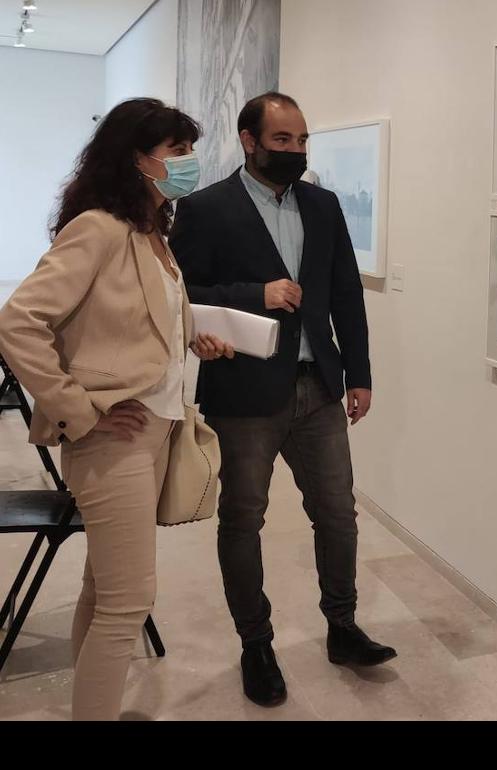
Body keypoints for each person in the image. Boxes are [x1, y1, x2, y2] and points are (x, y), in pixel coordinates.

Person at [0, 98, 233, 721]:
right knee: (130, 602)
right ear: (138, 158)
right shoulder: (98, 227)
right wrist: (80, 411)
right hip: (111, 438)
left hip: (157, 427)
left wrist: (189, 334)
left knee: (103, 590)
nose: (188, 163)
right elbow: (18, 321)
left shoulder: (152, 230)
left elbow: (135, 315)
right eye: (177, 152)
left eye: (188, 149)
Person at [169, 91, 395, 709]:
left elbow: (346, 292)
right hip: (244, 392)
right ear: (249, 140)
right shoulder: (205, 208)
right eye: (282, 141)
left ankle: (343, 627)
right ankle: (256, 644)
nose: (295, 152)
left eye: (302, 142)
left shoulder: (322, 206)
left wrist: (360, 373)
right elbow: (181, 294)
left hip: (319, 388)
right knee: (244, 520)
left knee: (338, 514)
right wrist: (253, 293)